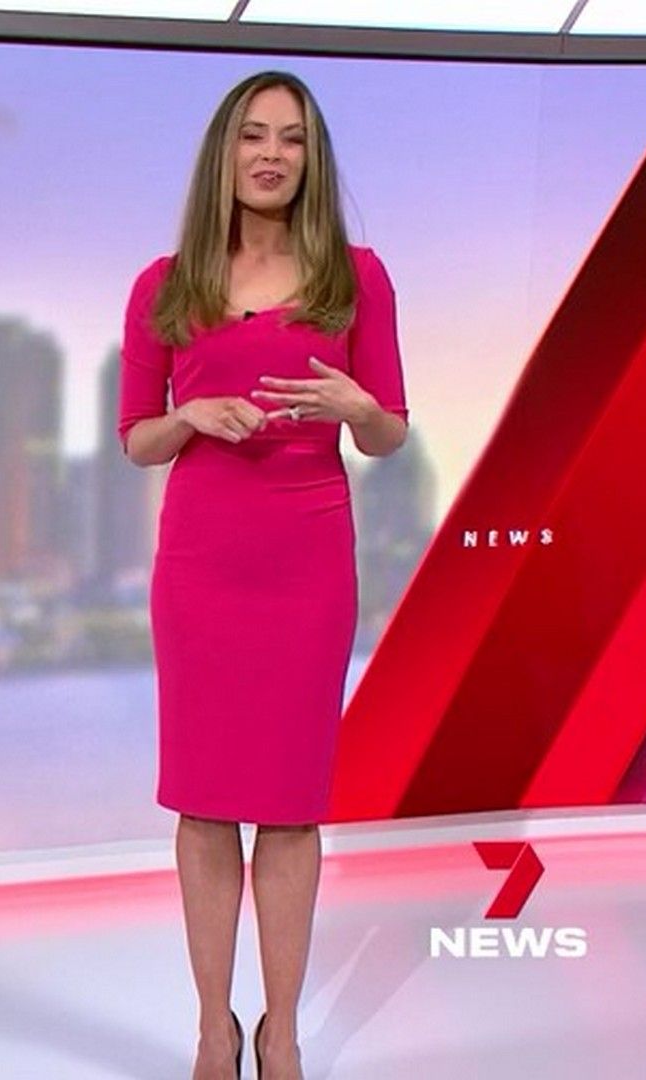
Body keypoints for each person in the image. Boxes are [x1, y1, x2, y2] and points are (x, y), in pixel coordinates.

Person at [117, 71, 409, 1080]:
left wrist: (354, 405)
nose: (271, 154)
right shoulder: (164, 285)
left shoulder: (356, 278)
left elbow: (389, 434)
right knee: (204, 803)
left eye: (291, 138)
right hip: (202, 566)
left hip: (307, 564)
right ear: (226, 154)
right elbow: (137, 440)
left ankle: (281, 1032)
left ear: (311, 160)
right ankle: (215, 1028)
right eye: (253, 136)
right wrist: (188, 416)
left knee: (288, 805)